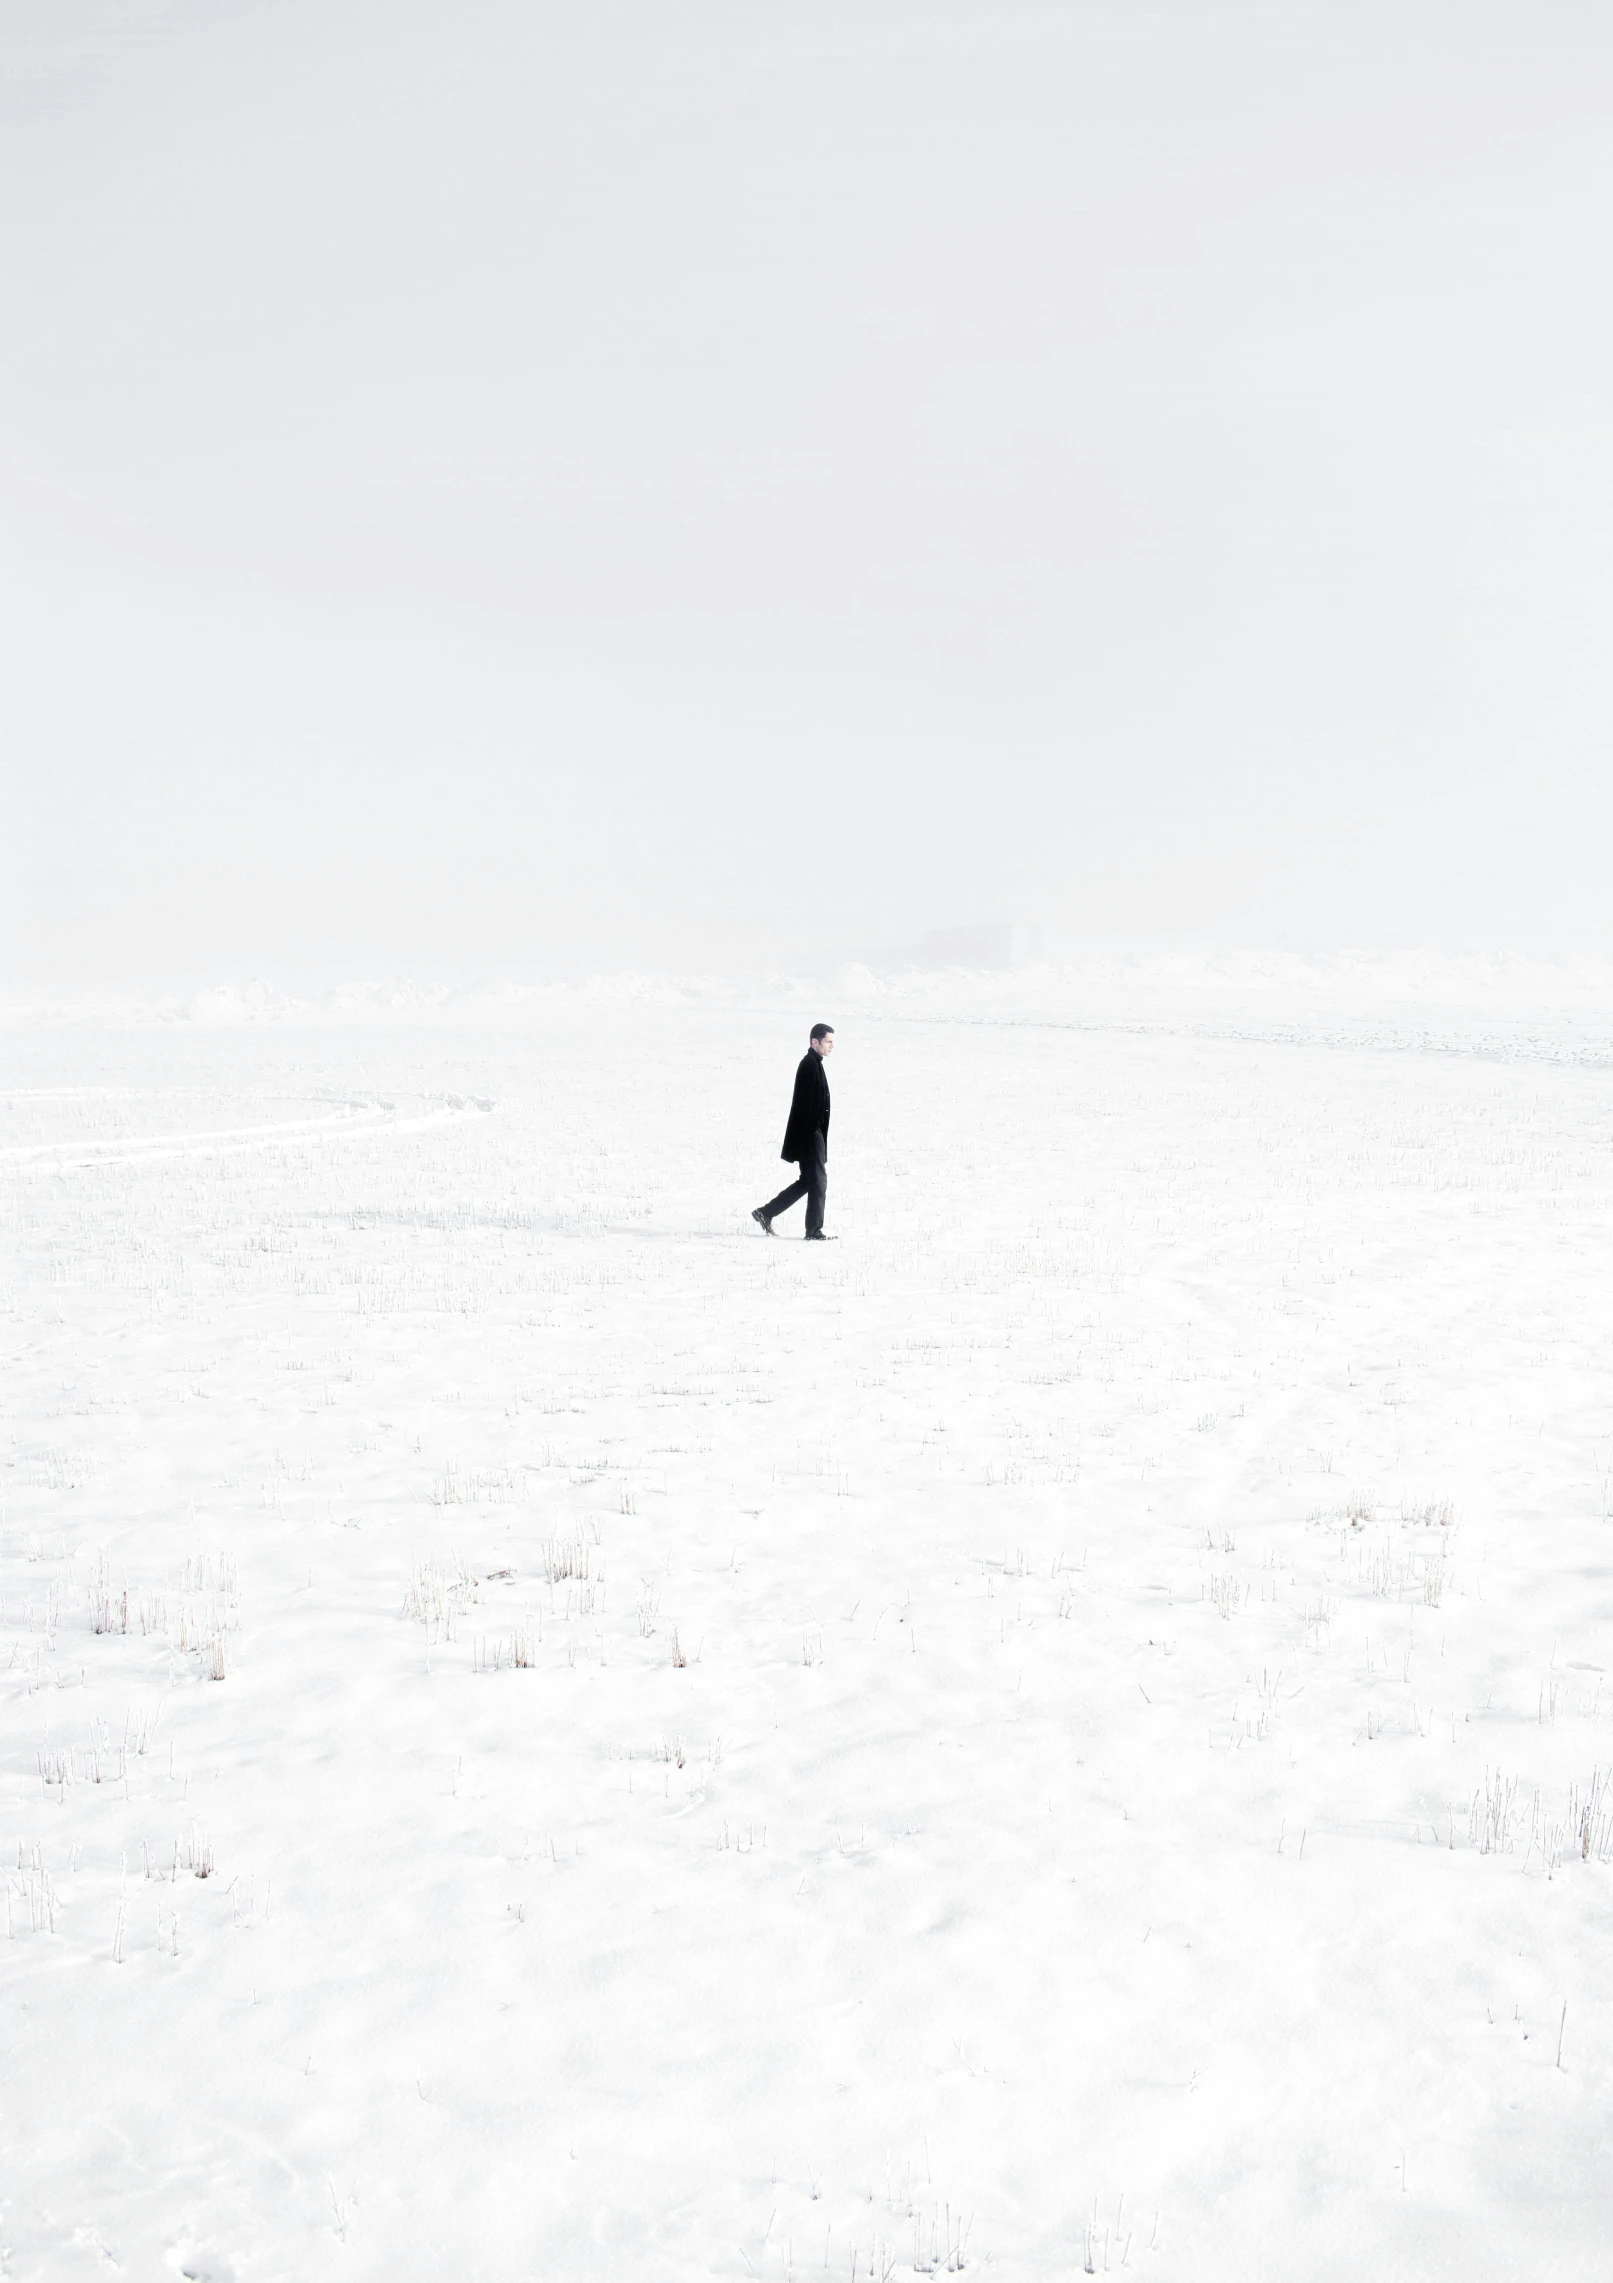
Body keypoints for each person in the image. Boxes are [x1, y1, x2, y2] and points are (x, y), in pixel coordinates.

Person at [753, 1024, 834, 1239]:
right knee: (818, 1181)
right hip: (810, 1135)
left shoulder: (814, 1063)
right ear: (814, 1042)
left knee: (809, 1181)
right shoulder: (809, 1065)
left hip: (811, 1134)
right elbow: (805, 1107)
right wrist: (813, 1138)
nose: (831, 1046)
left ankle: (765, 1212)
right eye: (828, 1041)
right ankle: (814, 1231)